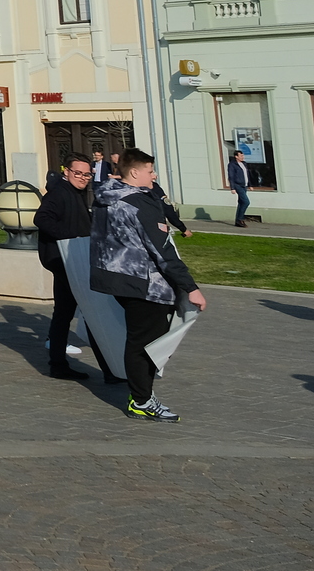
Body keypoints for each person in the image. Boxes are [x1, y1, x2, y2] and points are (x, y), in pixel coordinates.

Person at [91, 148, 206, 422]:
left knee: (141, 340)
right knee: (146, 343)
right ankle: (141, 400)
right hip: (145, 284)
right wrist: (191, 287)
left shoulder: (108, 197)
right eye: (150, 171)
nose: (154, 176)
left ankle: (141, 396)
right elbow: (162, 250)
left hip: (119, 279)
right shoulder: (137, 204)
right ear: (134, 172)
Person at [34, 155, 100, 380]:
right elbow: (41, 218)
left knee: (66, 312)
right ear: (67, 172)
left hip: (73, 260)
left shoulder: (76, 193)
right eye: (78, 173)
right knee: (69, 312)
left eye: (87, 174)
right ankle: (59, 364)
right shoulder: (59, 193)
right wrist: (68, 240)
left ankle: (59, 363)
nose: (83, 178)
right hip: (64, 262)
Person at [226, 149, 251, 226]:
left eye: (243, 155)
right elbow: (231, 176)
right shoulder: (232, 165)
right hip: (238, 185)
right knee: (246, 202)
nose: (243, 157)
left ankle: (238, 221)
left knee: (241, 202)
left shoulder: (244, 164)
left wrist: (250, 185)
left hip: (244, 185)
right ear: (236, 156)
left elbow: (247, 175)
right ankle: (240, 219)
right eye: (241, 156)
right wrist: (232, 188)